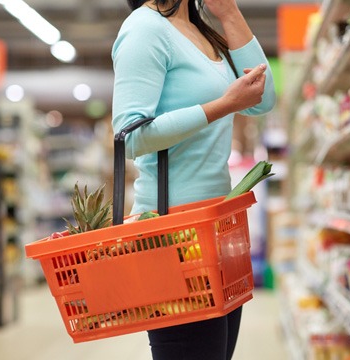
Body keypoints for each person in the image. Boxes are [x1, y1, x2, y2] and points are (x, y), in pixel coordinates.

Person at [111, 0, 276, 359]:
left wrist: (229, 13)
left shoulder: (202, 31)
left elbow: (263, 99)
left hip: (216, 229)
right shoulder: (145, 29)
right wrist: (223, 105)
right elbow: (130, 137)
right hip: (173, 235)